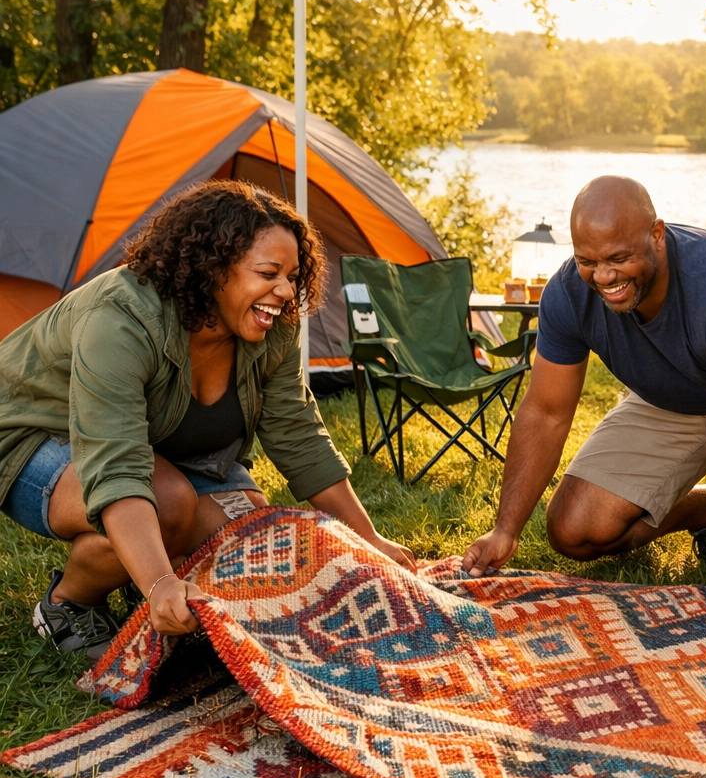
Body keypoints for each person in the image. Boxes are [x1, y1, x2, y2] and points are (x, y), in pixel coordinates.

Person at [0, 180, 413, 661]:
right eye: (268, 272)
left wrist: (369, 538)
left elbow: (298, 433)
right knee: (169, 506)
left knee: (255, 540)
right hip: (31, 435)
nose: (285, 290)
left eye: (293, 275)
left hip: (160, 448)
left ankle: (153, 573)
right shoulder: (120, 316)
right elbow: (115, 463)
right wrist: (160, 582)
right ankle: (69, 603)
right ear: (211, 267)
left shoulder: (272, 324)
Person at [462, 175, 706, 606]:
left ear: (657, 235)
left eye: (618, 258)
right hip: (679, 391)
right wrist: (505, 530)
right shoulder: (569, 292)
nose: (603, 276)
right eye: (586, 260)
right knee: (575, 530)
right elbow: (545, 413)